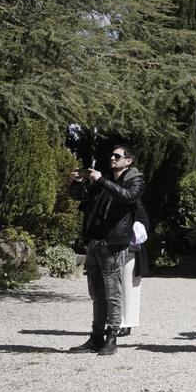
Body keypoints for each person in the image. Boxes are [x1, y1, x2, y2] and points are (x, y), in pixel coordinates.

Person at [68, 143, 145, 356]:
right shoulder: (105, 180)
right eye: (111, 155)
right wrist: (77, 183)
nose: (112, 158)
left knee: (112, 292)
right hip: (95, 241)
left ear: (128, 160)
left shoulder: (135, 180)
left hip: (114, 242)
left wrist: (100, 180)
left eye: (117, 156)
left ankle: (112, 337)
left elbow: (127, 196)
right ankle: (96, 337)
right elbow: (80, 197)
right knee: (96, 292)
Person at [117, 205, 150, 337]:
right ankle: (115, 322)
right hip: (113, 250)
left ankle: (127, 323)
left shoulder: (136, 207)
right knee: (114, 288)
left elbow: (144, 227)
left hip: (131, 251)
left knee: (130, 288)